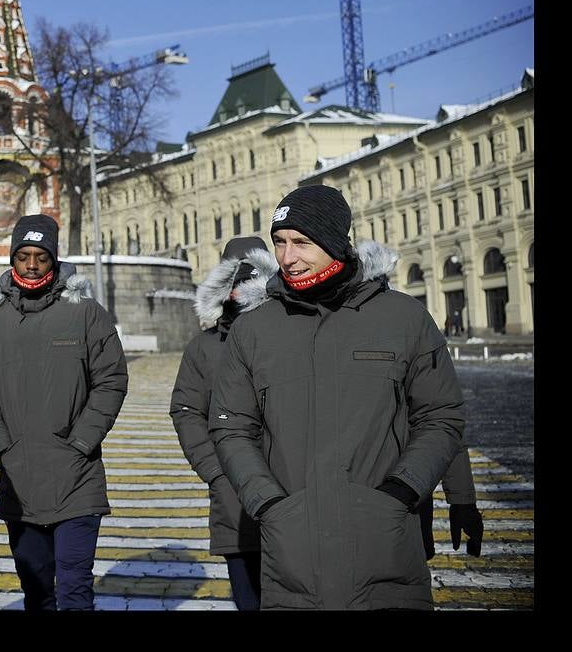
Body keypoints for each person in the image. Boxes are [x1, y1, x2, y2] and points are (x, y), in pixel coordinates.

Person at [210, 185, 465, 610]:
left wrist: (402, 491)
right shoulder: (253, 330)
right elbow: (231, 426)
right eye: (278, 242)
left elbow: (441, 416)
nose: (286, 257)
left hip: (386, 552)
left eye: (301, 243)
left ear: (333, 242)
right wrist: (268, 503)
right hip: (290, 558)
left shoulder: (404, 318)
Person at [0, 214, 129, 611]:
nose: (33, 264)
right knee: (36, 591)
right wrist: (2, 445)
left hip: (77, 477)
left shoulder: (86, 313)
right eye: (24, 256)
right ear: (12, 259)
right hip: (19, 480)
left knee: (74, 591)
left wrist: (82, 441)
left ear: (54, 259)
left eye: (41, 255)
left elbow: (111, 381)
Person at [171, 235, 276, 611]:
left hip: (294, 493)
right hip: (234, 498)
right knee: (248, 598)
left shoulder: (289, 332)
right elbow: (186, 411)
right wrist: (216, 470)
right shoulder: (204, 347)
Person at [418, 446, 485, 560]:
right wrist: (463, 500)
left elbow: (446, 433)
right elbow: (446, 432)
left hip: (408, 494)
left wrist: (463, 502)